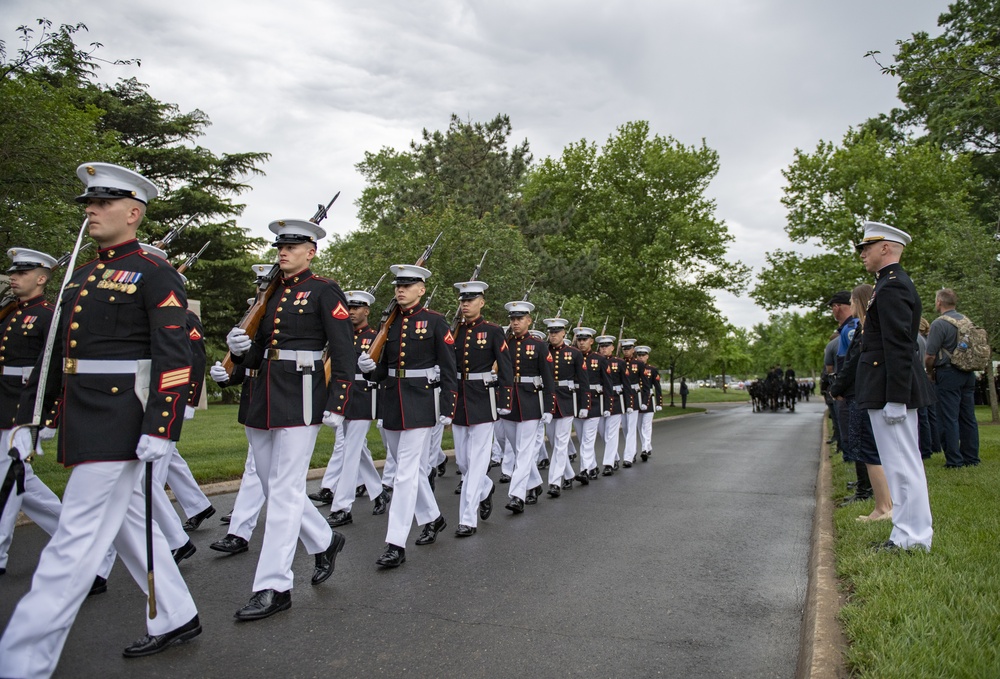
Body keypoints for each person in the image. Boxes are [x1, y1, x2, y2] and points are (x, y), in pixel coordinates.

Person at [0, 163, 201, 675]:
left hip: (121, 418)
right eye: (90, 202)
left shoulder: (155, 273)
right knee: (131, 522)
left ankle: (22, 662)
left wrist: (161, 426)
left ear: (133, 213)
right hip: (83, 413)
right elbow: (55, 357)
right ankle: (176, 615)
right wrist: (33, 420)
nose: (90, 209)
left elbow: (175, 356)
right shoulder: (83, 275)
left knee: (75, 540)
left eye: (103, 203)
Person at [225, 218, 352, 620]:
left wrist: (338, 401)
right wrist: (236, 355)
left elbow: (343, 348)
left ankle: (274, 585)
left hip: (301, 394)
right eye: (280, 246)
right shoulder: (271, 292)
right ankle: (324, 539)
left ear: (311, 251)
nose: (283, 252)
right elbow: (259, 345)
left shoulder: (323, 289)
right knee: (272, 484)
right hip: (262, 394)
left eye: (293, 247)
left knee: (283, 491)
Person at [357, 264, 457, 568]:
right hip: (393, 399)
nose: (400, 289)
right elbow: (386, 366)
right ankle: (434, 518)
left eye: (408, 285)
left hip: (421, 402)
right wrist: (369, 371)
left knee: (403, 475)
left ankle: (395, 543)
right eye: (398, 285)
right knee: (406, 468)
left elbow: (449, 368)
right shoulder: (390, 323)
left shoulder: (435, 322)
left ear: (421, 289)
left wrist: (448, 406)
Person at [855, 221, 935, 552]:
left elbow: (899, 347)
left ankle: (913, 539)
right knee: (898, 464)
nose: (863, 254)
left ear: (885, 248)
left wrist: (897, 399)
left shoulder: (893, 287)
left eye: (867, 248)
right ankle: (904, 534)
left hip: (892, 390)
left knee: (902, 465)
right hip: (886, 388)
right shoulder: (886, 285)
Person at [315, 289, 389, 526]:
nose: (352, 312)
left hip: (363, 397)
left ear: (367, 311)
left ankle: (342, 507)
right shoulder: (340, 335)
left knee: (350, 451)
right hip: (342, 397)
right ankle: (379, 492)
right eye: (349, 307)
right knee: (358, 450)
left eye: (357, 308)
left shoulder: (375, 337)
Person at [449, 279, 512, 536]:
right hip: (459, 399)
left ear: (481, 302)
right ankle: (485, 489)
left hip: (484, 399)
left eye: (470, 300)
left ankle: (467, 518)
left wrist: (505, 401)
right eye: (463, 300)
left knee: (476, 463)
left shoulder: (494, 331)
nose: (465, 305)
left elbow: (505, 367)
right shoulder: (454, 331)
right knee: (463, 461)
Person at [830, 284, 892, 522]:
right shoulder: (867, 329)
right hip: (866, 393)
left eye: (853, 301)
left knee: (867, 449)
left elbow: (852, 363)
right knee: (870, 449)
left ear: (858, 302)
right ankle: (882, 504)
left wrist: (836, 388)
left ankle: (883, 506)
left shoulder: (863, 331)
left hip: (862, 394)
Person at [499, 300, 554, 513]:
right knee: (516, 448)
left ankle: (516, 495)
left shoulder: (539, 345)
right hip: (509, 402)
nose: (515, 323)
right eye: (512, 319)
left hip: (531, 402)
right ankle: (534, 483)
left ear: (529, 320)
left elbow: (548, 379)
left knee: (523, 452)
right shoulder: (505, 343)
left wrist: (549, 407)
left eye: (519, 319)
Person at [924, 288, 980, 468]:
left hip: (948, 372)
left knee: (949, 417)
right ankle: (971, 457)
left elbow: (930, 355)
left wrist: (930, 372)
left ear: (939, 302)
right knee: (968, 416)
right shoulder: (967, 321)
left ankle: (954, 460)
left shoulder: (939, 324)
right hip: (968, 372)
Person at [543, 315, 590, 496]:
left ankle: (554, 482)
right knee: (554, 441)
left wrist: (584, 404)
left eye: (556, 332)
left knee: (562, 442)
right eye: (551, 332)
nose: (553, 335)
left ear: (563, 333)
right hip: (548, 400)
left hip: (566, 400)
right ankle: (569, 474)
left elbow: (583, 382)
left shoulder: (575, 353)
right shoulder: (543, 350)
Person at [573, 327, 612, 480]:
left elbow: (608, 384)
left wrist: (608, 406)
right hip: (576, 401)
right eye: (579, 339)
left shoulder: (600, 359)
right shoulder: (573, 357)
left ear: (591, 341)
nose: (581, 342)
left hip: (594, 402)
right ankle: (593, 467)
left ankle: (584, 470)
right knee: (582, 438)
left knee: (588, 439)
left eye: (585, 340)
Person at [596, 334, 629, 475]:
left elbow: (626, 384)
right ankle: (614, 457)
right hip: (599, 398)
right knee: (603, 433)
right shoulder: (595, 361)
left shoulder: (619, 362)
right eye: (601, 347)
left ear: (612, 347)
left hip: (615, 399)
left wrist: (628, 404)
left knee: (611, 433)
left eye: (606, 346)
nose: (604, 349)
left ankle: (608, 464)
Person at [635, 346, 663, 461]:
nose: (641, 357)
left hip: (649, 399)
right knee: (639, 426)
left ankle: (645, 449)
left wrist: (659, 402)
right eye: (639, 355)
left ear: (647, 356)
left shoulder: (652, 369)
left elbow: (657, 387)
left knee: (646, 426)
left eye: (643, 355)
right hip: (637, 399)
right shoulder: (633, 368)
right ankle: (647, 446)